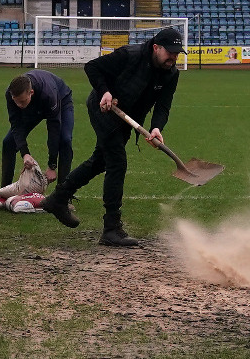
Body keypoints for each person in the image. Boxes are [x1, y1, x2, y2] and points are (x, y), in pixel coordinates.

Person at [40, 26, 183, 247]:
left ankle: (58, 199)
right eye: (170, 52)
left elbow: (163, 106)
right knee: (117, 162)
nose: (173, 57)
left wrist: (156, 128)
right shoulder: (130, 55)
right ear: (156, 47)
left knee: (100, 161)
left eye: (176, 53)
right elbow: (93, 67)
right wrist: (105, 91)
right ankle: (111, 228)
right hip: (104, 109)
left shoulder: (171, 74)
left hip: (127, 118)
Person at [3, 69, 75, 188]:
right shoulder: (11, 94)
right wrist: (25, 153)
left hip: (61, 100)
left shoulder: (48, 94)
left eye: (22, 101)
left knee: (65, 140)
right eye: (17, 102)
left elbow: (54, 128)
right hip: (34, 106)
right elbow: (16, 124)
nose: (19, 106)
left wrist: (52, 165)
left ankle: (62, 196)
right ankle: (4, 190)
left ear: (31, 92)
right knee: (8, 142)